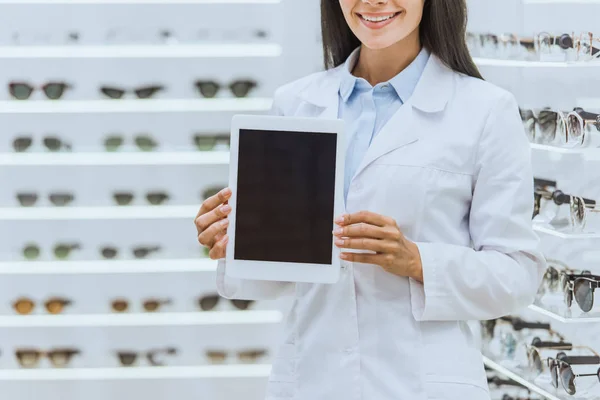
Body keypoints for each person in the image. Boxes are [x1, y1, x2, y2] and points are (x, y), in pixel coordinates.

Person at [194, 0, 546, 398]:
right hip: (313, 378)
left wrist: (417, 260)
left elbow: (517, 275)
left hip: (423, 384)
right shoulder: (295, 104)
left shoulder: (485, 110)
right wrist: (236, 242)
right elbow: (274, 277)